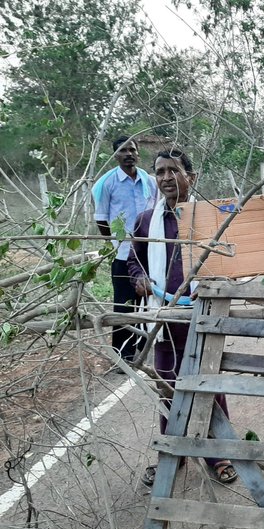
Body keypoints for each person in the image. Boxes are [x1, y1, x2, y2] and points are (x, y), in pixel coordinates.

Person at [128, 148, 238, 486]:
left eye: (173, 171)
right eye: (159, 172)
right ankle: (170, 456)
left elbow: (232, 259)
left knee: (209, 386)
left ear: (191, 177)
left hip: (204, 316)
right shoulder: (147, 220)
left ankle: (217, 455)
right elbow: (134, 259)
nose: (165, 178)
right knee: (167, 387)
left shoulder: (210, 216)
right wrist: (139, 278)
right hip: (163, 320)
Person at [93, 135, 157, 371]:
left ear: (138, 153)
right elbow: (101, 218)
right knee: (124, 305)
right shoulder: (106, 183)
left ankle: (142, 349)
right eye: (123, 150)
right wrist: (115, 245)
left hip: (150, 253)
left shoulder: (150, 181)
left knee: (149, 302)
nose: (128, 154)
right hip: (122, 256)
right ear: (115, 155)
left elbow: (156, 211)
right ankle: (122, 356)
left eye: (132, 149)